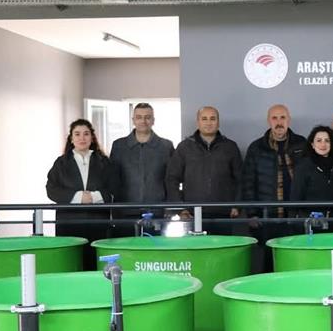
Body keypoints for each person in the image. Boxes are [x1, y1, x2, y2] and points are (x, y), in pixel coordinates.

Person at [242, 104, 307, 271]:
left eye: (282, 117)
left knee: (296, 262)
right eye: (275, 118)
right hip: (267, 218)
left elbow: (310, 179)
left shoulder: (302, 144)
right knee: (268, 264)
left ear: (289, 120)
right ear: (268, 121)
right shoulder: (256, 148)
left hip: (296, 217)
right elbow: (248, 182)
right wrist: (252, 213)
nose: (279, 122)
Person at [46, 119, 119, 270]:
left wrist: (93, 197)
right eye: (77, 134)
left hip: (98, 221)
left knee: (96, 264)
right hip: (69, 223)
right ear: (71, 139)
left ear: (92, 137)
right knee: (72, 264)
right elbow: (51, 189)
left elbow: (115, 187)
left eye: (86, 134)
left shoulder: (104, 162)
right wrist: (79, 197)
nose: (82, 138)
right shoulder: (61, 163)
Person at [165, 106, 242, 233]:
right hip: (191, 214)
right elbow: (171, 179)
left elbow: (241, 179)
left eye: (212, 118)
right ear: (198, 122)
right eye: (204, 119)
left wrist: (237, 205)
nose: (208, 122)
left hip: (224, 213)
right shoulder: (184, 147)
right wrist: (180, 208)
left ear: (218, 122)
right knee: (195, 246)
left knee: (222, 246)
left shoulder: (230, 147)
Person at [109, 103, 174, 233]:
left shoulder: (166, 146)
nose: (143, 121)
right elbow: (113, 179)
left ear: (153, 120)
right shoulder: (119, 146)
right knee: (126, 245)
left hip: (157, 211)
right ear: (133, 120)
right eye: (139, 117)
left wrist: (170, 207)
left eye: (147, 117)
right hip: (125, 211)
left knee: (155, 246)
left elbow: (171, 179)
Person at [291, 126, 333, 226]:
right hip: (311, 222)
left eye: (327, 140)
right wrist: (293, 221)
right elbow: (296, 196)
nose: (323, 144)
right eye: (319, 140)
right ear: (312, 144)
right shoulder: (303, 166)